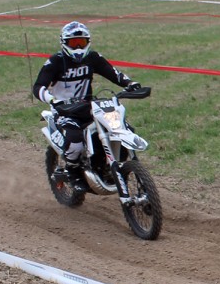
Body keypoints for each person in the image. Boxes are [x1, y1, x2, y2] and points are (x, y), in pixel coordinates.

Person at [31, 21, 140, 188]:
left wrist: (129, 83)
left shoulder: (93, 58)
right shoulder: (55, 61)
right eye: (73, 43)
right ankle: (73, 173)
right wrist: (52, 99)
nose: (77, 47)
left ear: (88, 42)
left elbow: (113, 73)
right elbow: (38, 87)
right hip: (64, 110)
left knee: (123, 129)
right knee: (75, 141)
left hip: (89, 106)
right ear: (64, 43)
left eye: (81, 42)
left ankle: (112, 165)